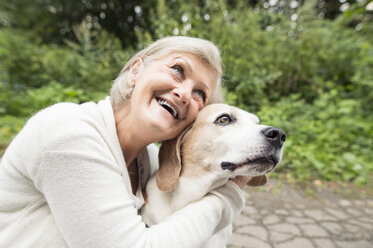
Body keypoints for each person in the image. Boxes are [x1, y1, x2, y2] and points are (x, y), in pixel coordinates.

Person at [0, 36, 249, 247]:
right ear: (135, 71)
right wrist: (225, 198)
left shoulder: (150, 158)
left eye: (200, 94)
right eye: (177, 70)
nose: (184, 94)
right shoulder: (68, 133)